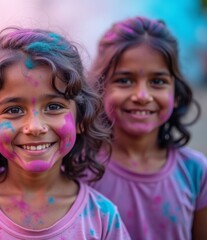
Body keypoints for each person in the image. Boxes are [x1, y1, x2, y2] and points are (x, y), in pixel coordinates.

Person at [0, 27, 130, 240]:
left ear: (80, 119)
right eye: (14, 110)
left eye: (54, 107)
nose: (35, 127)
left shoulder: (102, 218)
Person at [87, 16, 207, 240]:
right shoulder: (82, 169)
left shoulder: (195, 171)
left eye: (158, 81)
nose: (142, 96)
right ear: (100, 88)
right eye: (124, 80)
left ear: (176, 93)